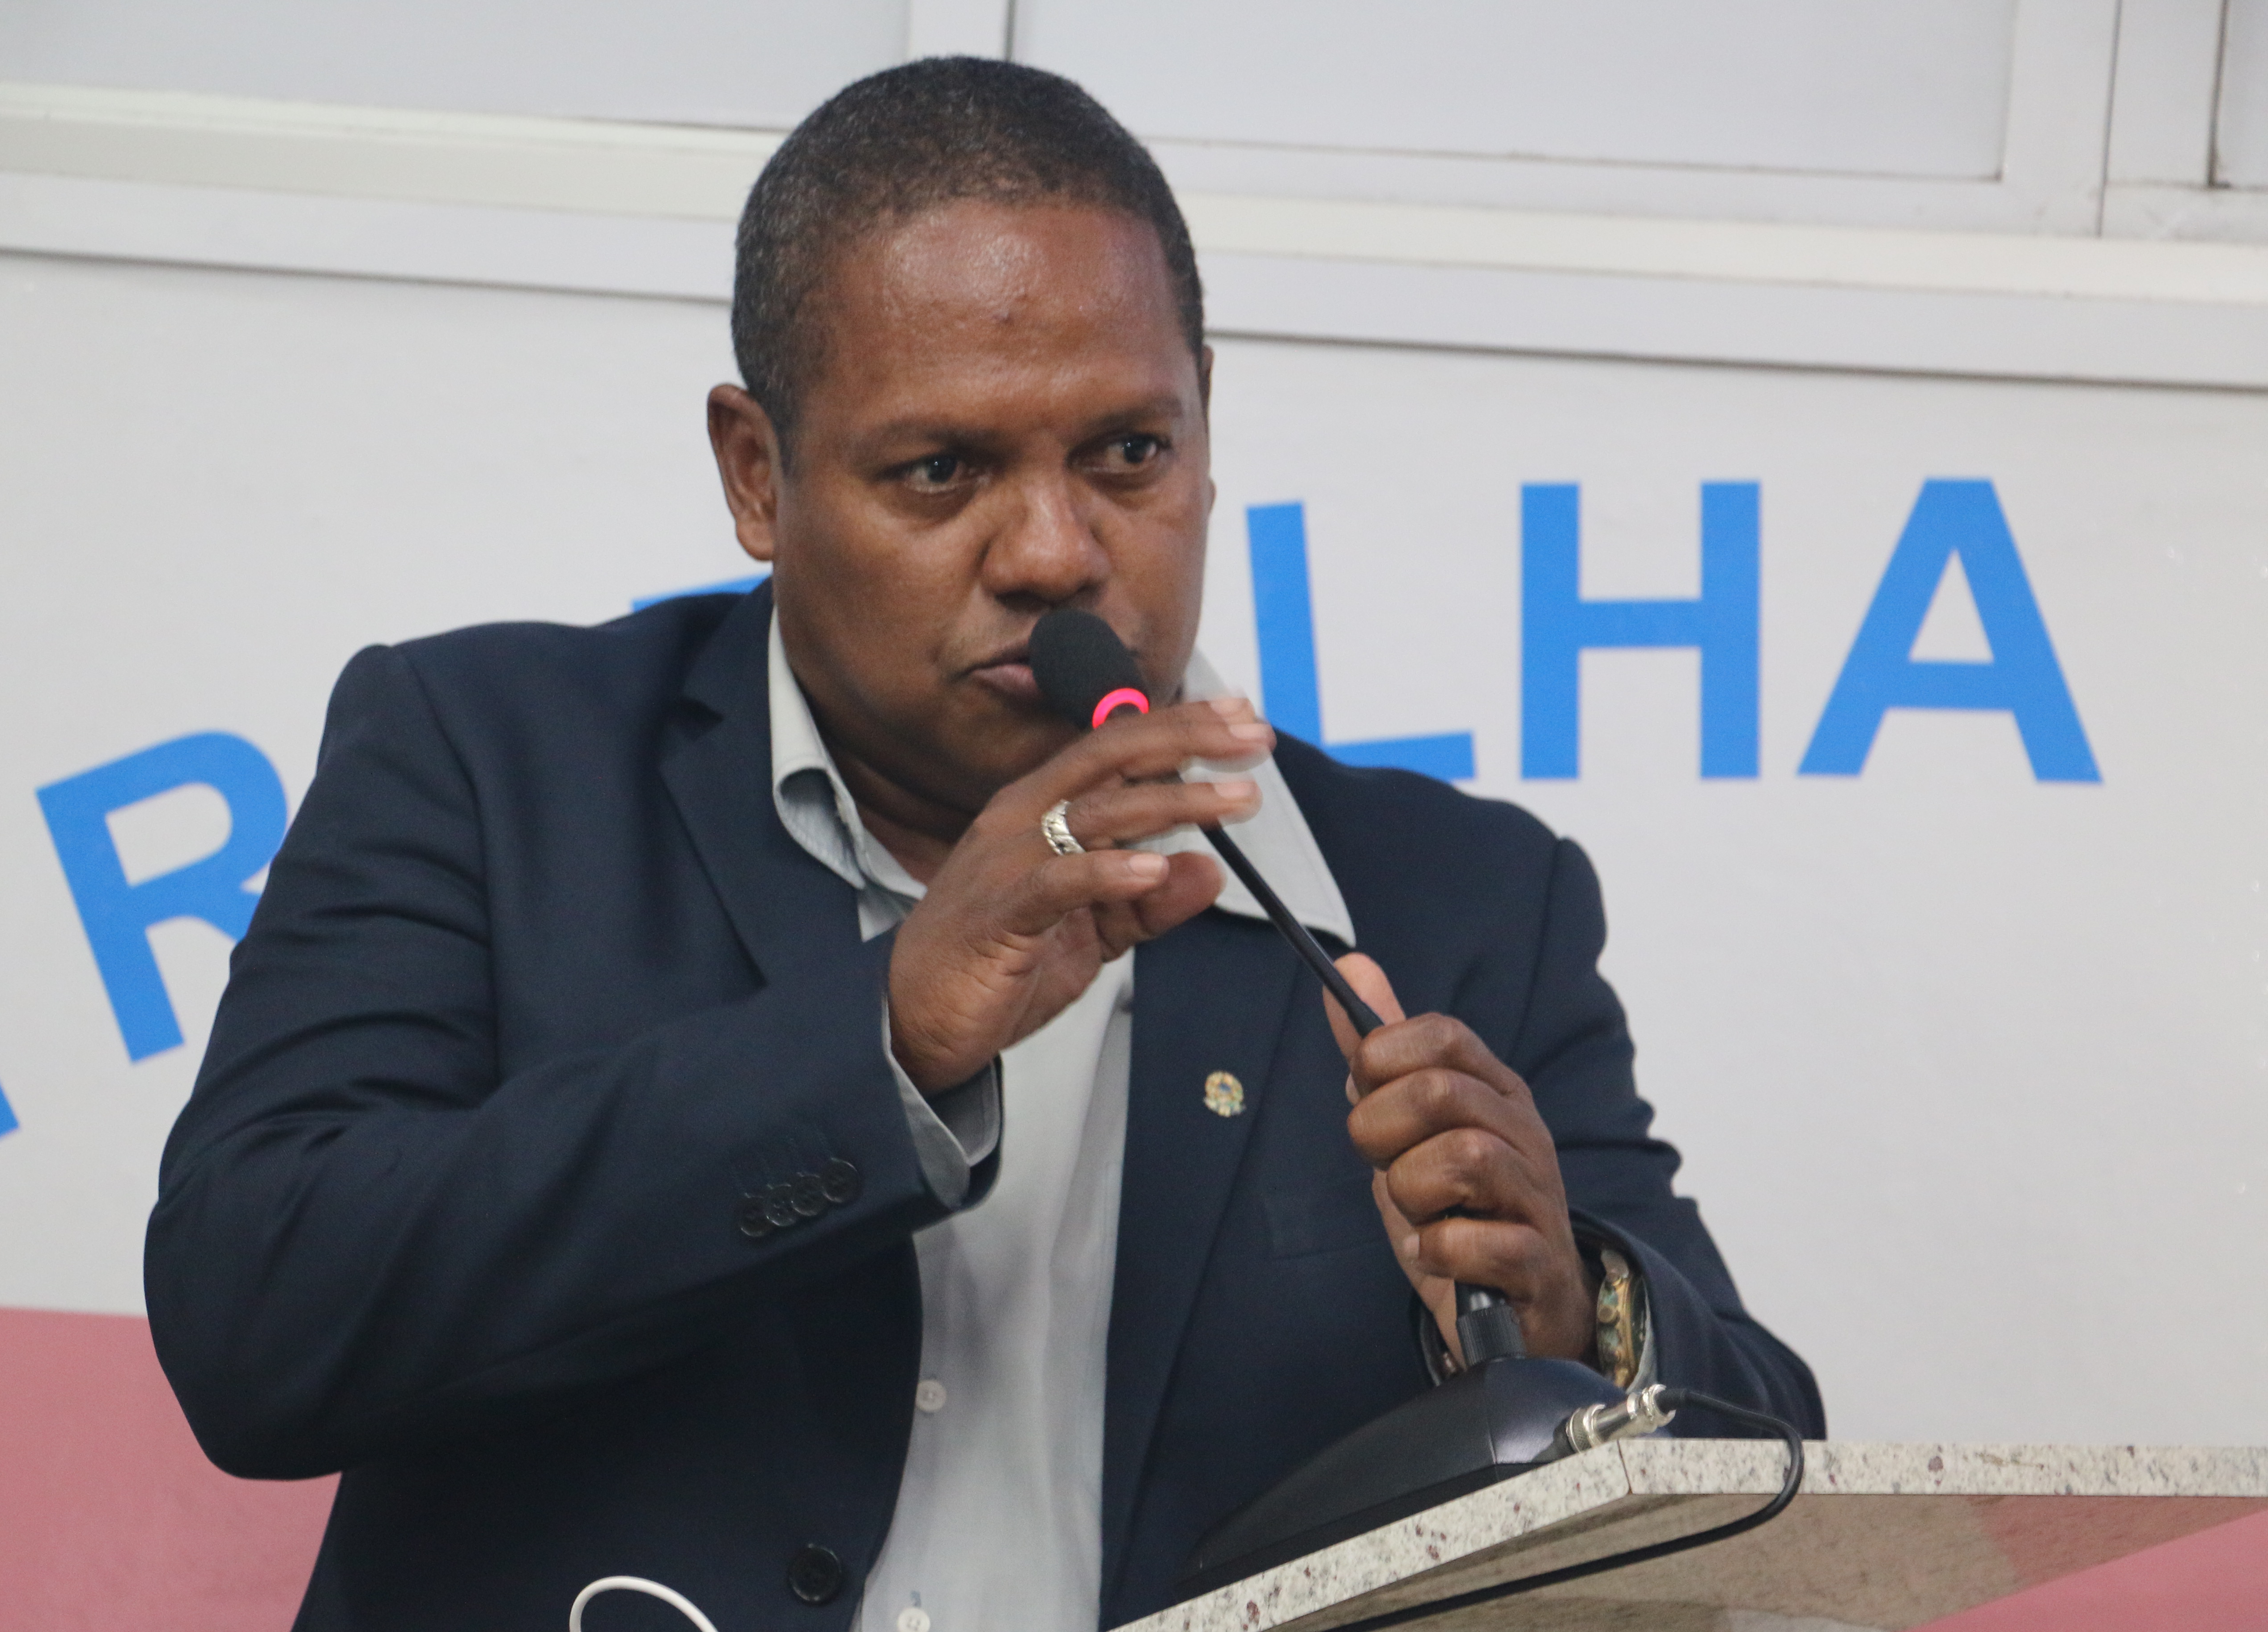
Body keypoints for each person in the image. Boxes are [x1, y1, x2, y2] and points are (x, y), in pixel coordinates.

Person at [146, 57, 1823, 1632]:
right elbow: (257, 1322)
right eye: (943, 469)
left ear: (1207, 425)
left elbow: (1768, 1477)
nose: (1054, 553)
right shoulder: (489, 759)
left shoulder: (1457, 898)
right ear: (757, 473)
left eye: (1130, 454)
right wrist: (880, 1040)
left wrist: (1576, 1312)